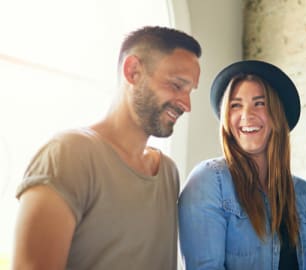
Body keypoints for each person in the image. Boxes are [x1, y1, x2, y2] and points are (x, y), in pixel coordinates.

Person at [12, 26, 201, 270]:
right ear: (133, 72)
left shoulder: (168, 173)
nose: (186, 104)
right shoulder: (68, 154)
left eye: (190, 91)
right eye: (177, 85)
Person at [178, 60, 306, 270]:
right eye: (236, 105)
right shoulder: (209, 181)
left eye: (259, 103)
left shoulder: (305, 192)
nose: (247, 115)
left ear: (277, 114)